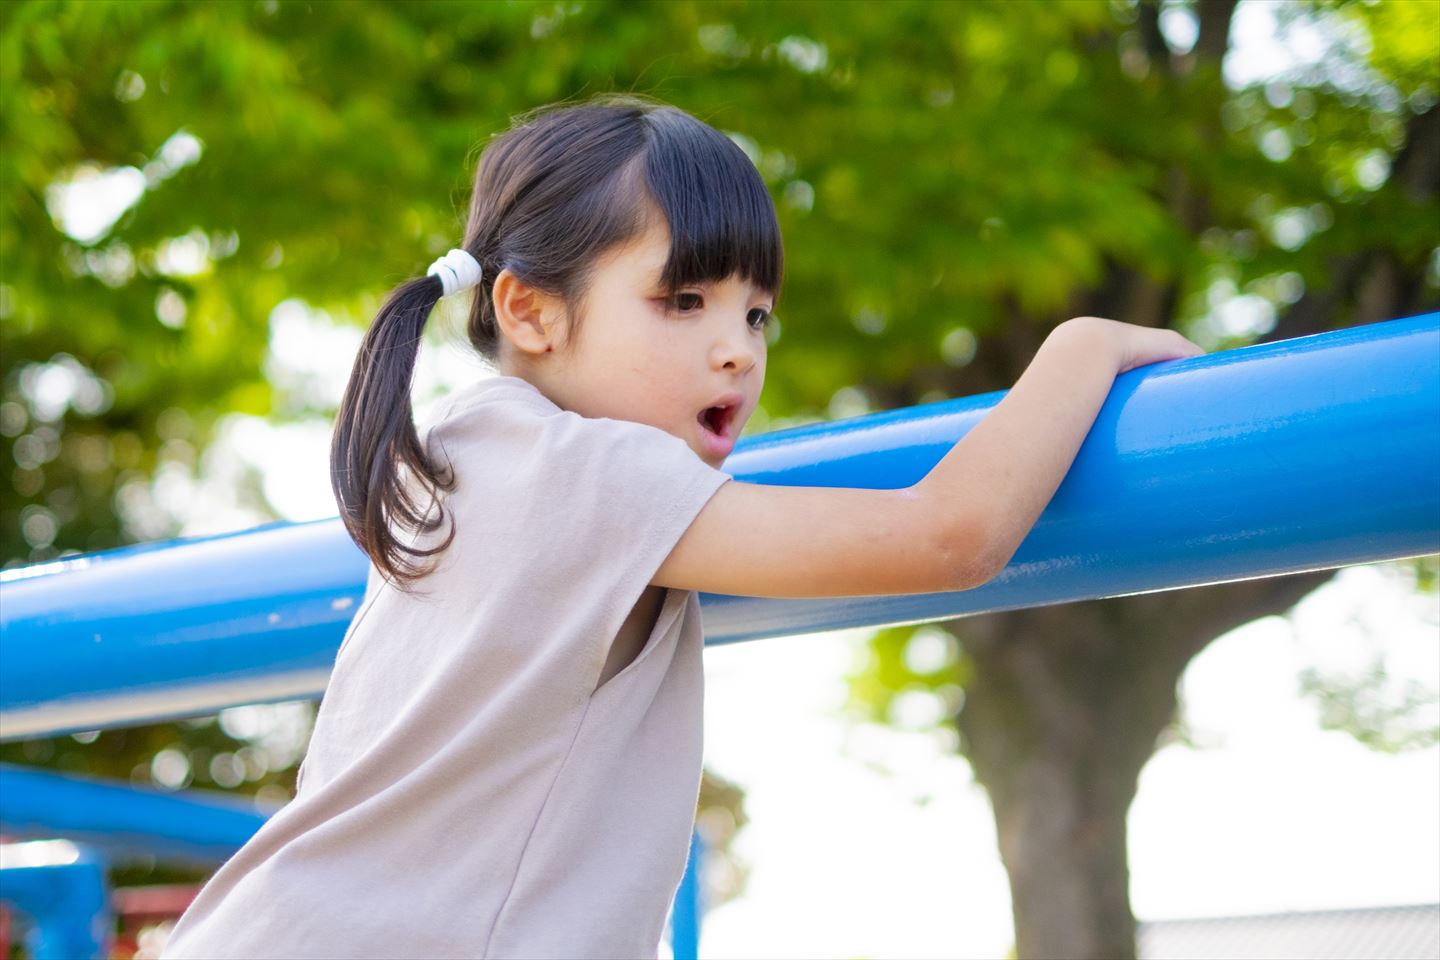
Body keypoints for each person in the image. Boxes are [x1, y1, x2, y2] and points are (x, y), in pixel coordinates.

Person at [161, 93, 1204, 959]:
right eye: (683, 301)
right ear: (530, 312)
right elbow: (950, 536)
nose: (737, 351)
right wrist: (1083, 345)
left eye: (756, 314)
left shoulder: (472, 459)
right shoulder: (587, 473)